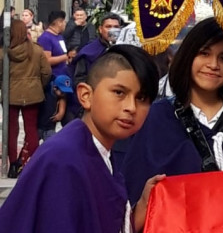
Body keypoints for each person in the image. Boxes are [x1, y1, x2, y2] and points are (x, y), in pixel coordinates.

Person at [0, 45, 163, 233]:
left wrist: (143, 205)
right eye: (119, 92)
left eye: (142, 98)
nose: (131, 108)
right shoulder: (64, 159)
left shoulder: (97, 150)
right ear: (86, 95)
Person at [122, 18, 223, 205]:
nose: (213, 64)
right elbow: (136, 189)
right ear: (188, 56)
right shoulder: (158, 118)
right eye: (204, 53)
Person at [1, 19, 52, 177]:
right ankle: (28, 163)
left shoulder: (4, 53)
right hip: (32, 94)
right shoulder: (36, 50)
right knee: (31, 129)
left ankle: (12, 164)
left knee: (11, 130)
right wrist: (38, 85)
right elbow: (47, 72)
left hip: (11, 94)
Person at [66, 13, 122, 123]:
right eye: (108, 27)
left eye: (116, 27)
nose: (112, 30)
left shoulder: (126, 49)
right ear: (101, 29)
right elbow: (79, 79)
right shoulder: (88, 52)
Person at [38, 75, 73, 141]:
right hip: (38, 126)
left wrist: (60, 114)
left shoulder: (61, 97)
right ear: (55, 88)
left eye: (66, 93)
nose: (64, 94)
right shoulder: (46, 90)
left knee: (51, 143)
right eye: (62, 92)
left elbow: (63, 100)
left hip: (50, 127)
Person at [37, 10, 69, 77]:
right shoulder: (45, 38)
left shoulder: (60, 36)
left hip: (64, 74)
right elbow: (46, 60)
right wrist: (66, 57)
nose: (65, 24)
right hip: (54, 77)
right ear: (59, 23)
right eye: (64, 22)